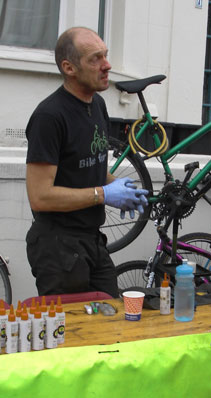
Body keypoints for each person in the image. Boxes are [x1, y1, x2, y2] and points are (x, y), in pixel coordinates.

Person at [25, 27, 148, 298]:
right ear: (69, 67)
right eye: (95, 59)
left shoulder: (98, 106)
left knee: (110, 325)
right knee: (73, 334)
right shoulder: (49, 116)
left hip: (92, 240)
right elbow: (40, 197)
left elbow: (89, 166)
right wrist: (103, 194)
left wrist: (122, 188)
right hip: (58, 247)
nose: (107, 65)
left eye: (106, 55)